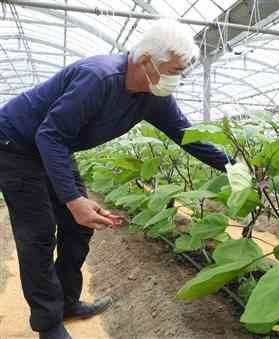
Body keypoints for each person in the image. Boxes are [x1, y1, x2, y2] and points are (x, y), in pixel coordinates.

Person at [0, 20, 231, 339]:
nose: (177, 78)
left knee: (79, 225)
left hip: (54, 144)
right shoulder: (99, 78)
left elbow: (188, 137)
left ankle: (67, 302)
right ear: (146, 60)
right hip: (16, 144)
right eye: (174, 70)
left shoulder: (153, 95)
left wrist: (237, 168)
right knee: (38, 235)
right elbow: (49, 134)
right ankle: (48, 324)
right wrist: (73, 200)